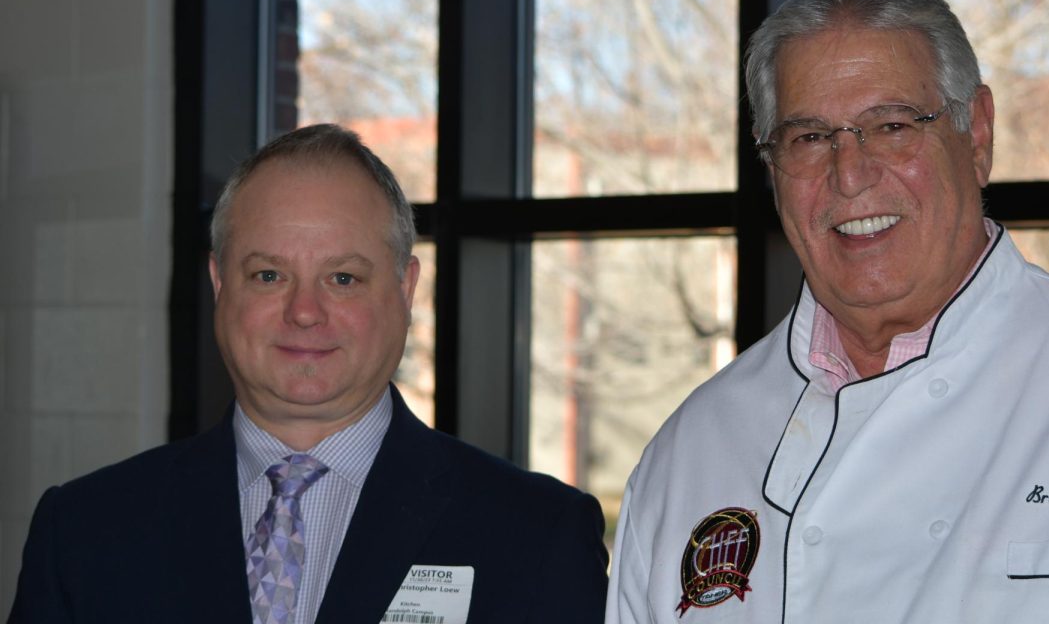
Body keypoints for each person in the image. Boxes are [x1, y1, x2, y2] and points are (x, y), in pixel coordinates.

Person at [604, 0, 1049, 622]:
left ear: (977, 135)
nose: (851, 175)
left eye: (891, 127)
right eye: (808, 137)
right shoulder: (690, 453)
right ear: (772, 170)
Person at [9, 124, 608, 624]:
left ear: (405, 290)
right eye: (269, 275)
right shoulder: (85, 533)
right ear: (220, 284)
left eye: (342, 278)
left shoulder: (538, 537)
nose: (304, 311)